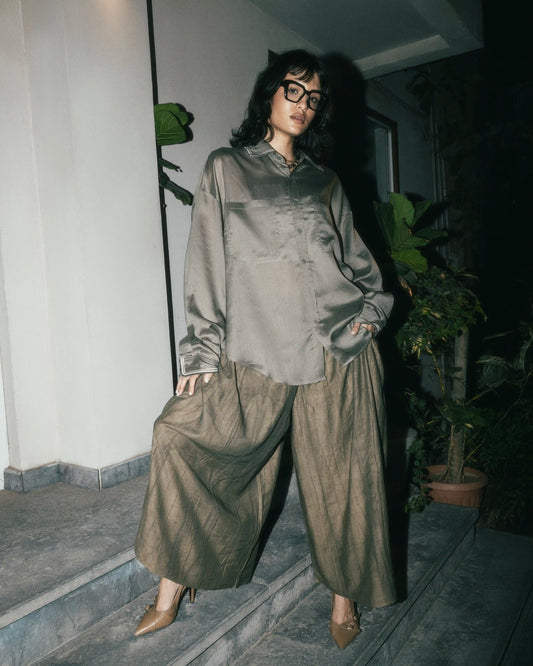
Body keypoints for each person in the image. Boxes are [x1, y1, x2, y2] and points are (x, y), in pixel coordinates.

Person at [134, 49, 396, 650]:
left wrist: (367, 320)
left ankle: (345, 599)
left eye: (314, 99)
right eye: (293, 91)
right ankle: (173, 586)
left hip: (337, 353)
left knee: (346, 477)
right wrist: (201, 352)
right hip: (255, 350)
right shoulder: (226, 168)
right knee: (180, 437)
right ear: (269, 94)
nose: (303, 105)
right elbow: (206, 261)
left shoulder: (326, 182)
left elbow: (363, 270)